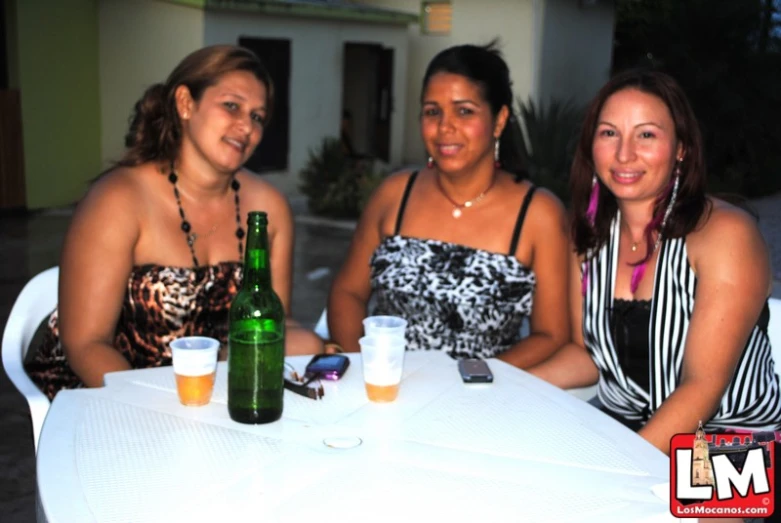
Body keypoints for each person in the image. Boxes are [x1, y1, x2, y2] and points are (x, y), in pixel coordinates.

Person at [26, 45, 322, 400]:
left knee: (307, 343)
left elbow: (274, 322)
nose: (246, 126)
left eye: (257, 117)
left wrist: (314, 345)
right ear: (185, 103)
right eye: (232, 106)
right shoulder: (119, 199)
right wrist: (163, 409)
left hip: (211, 391)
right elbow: (86, 344)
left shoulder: (268, 207)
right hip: (108, 393)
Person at [529, 69, 781, 455]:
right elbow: (587, 355)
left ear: (681, 148)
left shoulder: (725, 235)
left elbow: (702, 389)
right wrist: (505, 382)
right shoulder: (588, 237)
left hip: (724, 444)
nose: (624, 153)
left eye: (646, 134)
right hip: (621, 430)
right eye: (609, 133)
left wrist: (622, 468)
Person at [326, 43, 570, 368]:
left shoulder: (539, 213)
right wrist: (364, 364)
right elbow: (347, 293)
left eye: (464, 111)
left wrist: (473, 376)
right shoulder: (394, 194)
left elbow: (551, 335)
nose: (444, 127)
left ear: (499, 121)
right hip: (387, 391)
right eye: (432, 111)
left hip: (480, 400)